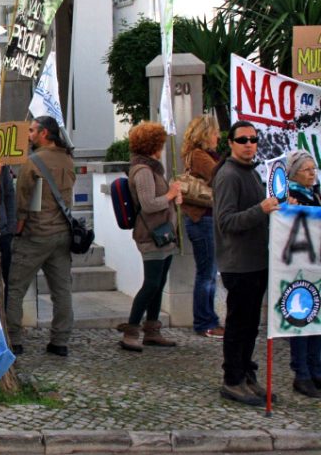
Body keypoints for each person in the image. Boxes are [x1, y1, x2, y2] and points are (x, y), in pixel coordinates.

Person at [213, 120, 280, 406]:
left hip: (256, 261)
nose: (249, 144)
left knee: (251, 325)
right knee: (239, 324)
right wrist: (261, 209)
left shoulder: (251, 172)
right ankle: (232, 380)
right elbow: (226, 221)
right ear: (231, 143)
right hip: (238, 263)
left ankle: (246, 374)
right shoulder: (229, 175)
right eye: (243, 140)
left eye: (253, 139)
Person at [6, 115, 75, 357]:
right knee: (61, 290)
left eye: (33, 130)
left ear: (45, 133)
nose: (29, 134)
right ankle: (60, 341)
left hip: (36, 233)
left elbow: (22, 201)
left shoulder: (33, 161)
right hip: (63, 233)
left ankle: (14, 339)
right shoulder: (68, 159)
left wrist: (18, 228)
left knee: (15, 287)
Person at [117, 122, 182, 352]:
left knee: (159, 282)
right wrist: (171, 194)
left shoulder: (152, 169)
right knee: (152, 283)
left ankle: (152, 330)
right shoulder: (143, 171)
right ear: (153, 145)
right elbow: (148, 204)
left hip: (162, 234)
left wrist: (172, 197)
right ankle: (131, 330)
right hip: (151, 234)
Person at [180, 115, 225, 339]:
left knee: (207, 272)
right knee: (207, 274)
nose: (219, 136)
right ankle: (205, 321)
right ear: (206, 134)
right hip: (203, 218)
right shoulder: (200, 156)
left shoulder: (197, 154)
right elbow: (221, 178)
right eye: (215, 132)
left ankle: (207, 319)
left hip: (203, 219)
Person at [283, 149, 321, 398]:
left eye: (313, 169)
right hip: (297, 267)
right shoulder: (290, 197)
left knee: (317, 321)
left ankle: (316, 369)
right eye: (307, 169)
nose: (312, 173)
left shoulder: (315, 194)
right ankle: (302, 372)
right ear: (295, 174)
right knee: (301, 321)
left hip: (315, 265)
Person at [0, 159, 17, 288]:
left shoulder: (2, 164)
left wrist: (11, 227)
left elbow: (9, 194)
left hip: (2, 232)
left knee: (7, 278)